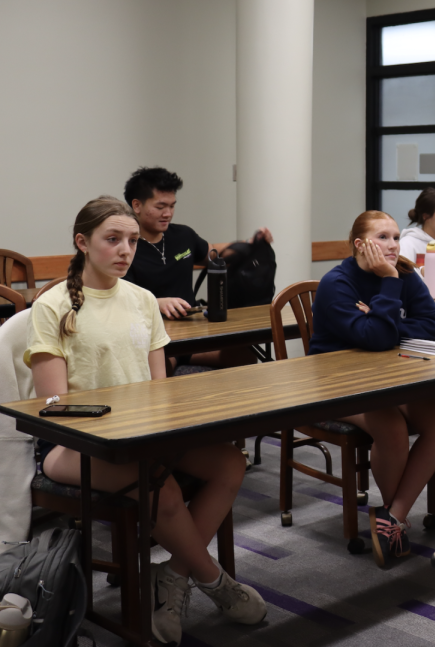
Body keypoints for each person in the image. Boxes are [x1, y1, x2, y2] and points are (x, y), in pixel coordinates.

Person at [26, 197, 265, 646]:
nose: (125, 250)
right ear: (82, 242)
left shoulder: (142, 300)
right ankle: (216, 582)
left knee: (230, 463)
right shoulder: (53, 304)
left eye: (132, 241)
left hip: (142, 437)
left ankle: (171, 576)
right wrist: (118, 425)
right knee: (161, 484)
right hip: (71, 447)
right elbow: (52, 405)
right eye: (112, 239)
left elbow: (160, 388)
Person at [309, 210, 435, 569]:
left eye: (394, 236)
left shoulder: (403, 272)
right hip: (335, 382)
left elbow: (433, 325)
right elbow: (374, 339)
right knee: (391, 426)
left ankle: (393, 516)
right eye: (383, 238)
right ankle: (396, 525)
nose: (393, 245)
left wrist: (382, 317)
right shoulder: (337, 283)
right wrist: (388, 290)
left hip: (389, 376)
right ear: (360, 244)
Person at [122, 166, 271, 371]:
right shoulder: (123, 248)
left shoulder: (183, 235)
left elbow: (214, 256)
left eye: (172, 206)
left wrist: (250, 244)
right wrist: (156, 303)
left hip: (193, 336)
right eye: (160, 207)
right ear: (136, 205)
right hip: (155, 340)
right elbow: (119, 299)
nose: (168, 213)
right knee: (160, 368)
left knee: (244, 356)